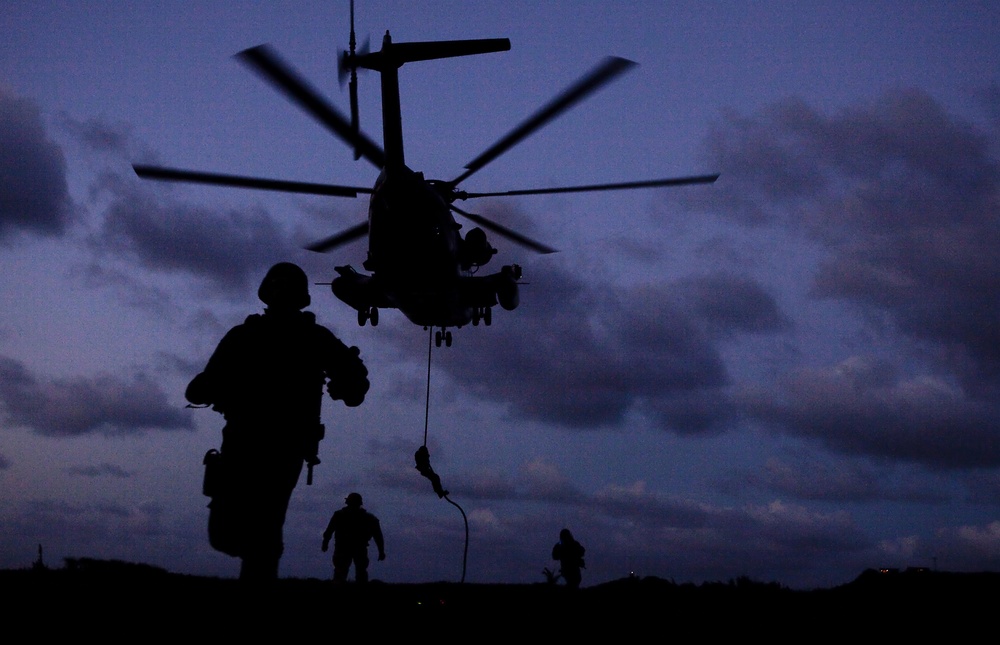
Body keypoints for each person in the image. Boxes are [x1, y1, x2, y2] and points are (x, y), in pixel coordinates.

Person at [186, 262, 370, 581]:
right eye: (279, 287)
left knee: (262, 532)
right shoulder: (251, 336)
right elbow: (201, 387)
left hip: (278, 448)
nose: (281, 294)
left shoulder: (305, 338)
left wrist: (345, 386)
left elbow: (355, 385)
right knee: (235, 533)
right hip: (248, 444)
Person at [322, 492, 385, 583]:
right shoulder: (369, 518)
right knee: (358, 572)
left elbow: (329, 531)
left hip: (345, 547)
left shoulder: (339, 515)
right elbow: (378, 536)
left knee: (343, 572)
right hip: (355, 548)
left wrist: (325, 543)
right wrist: (381, 551)